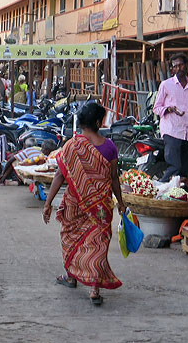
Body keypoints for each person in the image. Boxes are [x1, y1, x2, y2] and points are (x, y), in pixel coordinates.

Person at [42, 102, 126, 306]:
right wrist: (121, 203)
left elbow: (59, 175)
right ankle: (94, 289)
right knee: (97, 246)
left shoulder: (72, 145)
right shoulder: (109, 147)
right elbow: (114, 178)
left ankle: (71, 276)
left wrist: (48, 202)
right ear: (98, 122)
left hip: (75, 204)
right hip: (100, 207)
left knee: (71, 239)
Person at [153, 53, 188, 181]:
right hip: (171, 130)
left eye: (181, 65)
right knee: (175, 166)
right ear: (172, 69)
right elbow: (156, 108)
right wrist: (169, 109)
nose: (178, 68)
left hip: (185, 131)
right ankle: (160, 191)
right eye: (175, 66)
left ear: (186, 66)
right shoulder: (166, 85)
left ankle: (178, 197)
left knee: (184, 170)